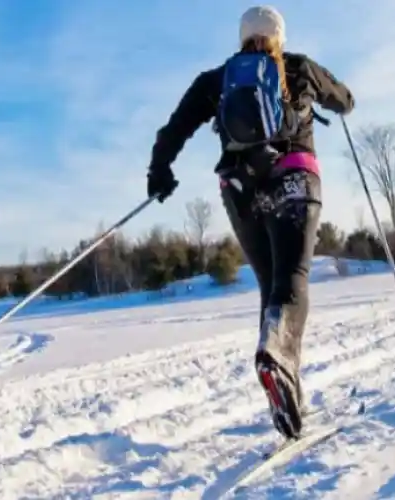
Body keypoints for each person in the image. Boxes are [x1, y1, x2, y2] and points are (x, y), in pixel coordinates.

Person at [144, 5, 355, 440]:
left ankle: (286, 397)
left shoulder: (217, 80)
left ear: (241, 39)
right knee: (292, 279)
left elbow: (173, 130)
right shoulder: (299, 68)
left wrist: (159, 172)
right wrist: (340, 104)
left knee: (270, 286)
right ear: (280, 35)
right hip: (294, 176)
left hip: (240, 190)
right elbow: (346, 99)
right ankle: (277, 361)